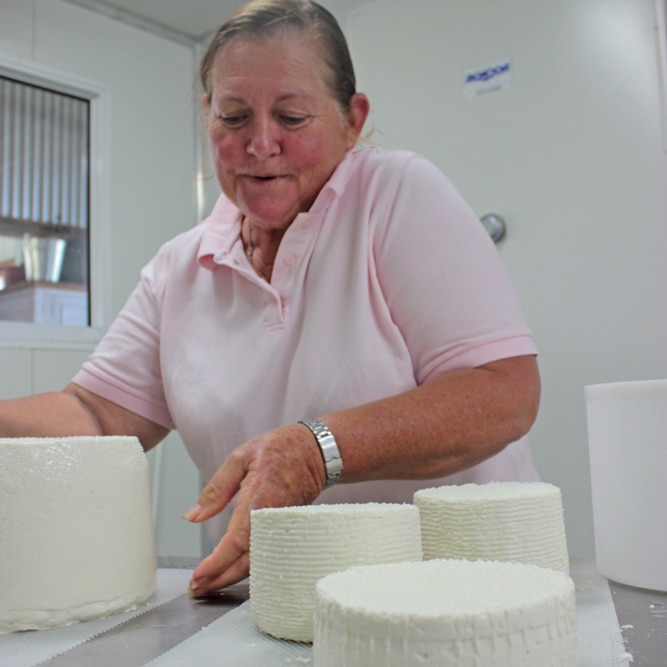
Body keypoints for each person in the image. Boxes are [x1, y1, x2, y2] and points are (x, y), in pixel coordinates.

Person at [0, 0, 540, 597]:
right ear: (207, 116)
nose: (260, 144)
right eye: (233, 116)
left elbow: (502, 391)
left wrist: (315, 450)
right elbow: (96, 415)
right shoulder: (179, 268)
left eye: (292, 116)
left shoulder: (394, 196)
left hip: (452, 596)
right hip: (271, 603)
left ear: (352, 119)